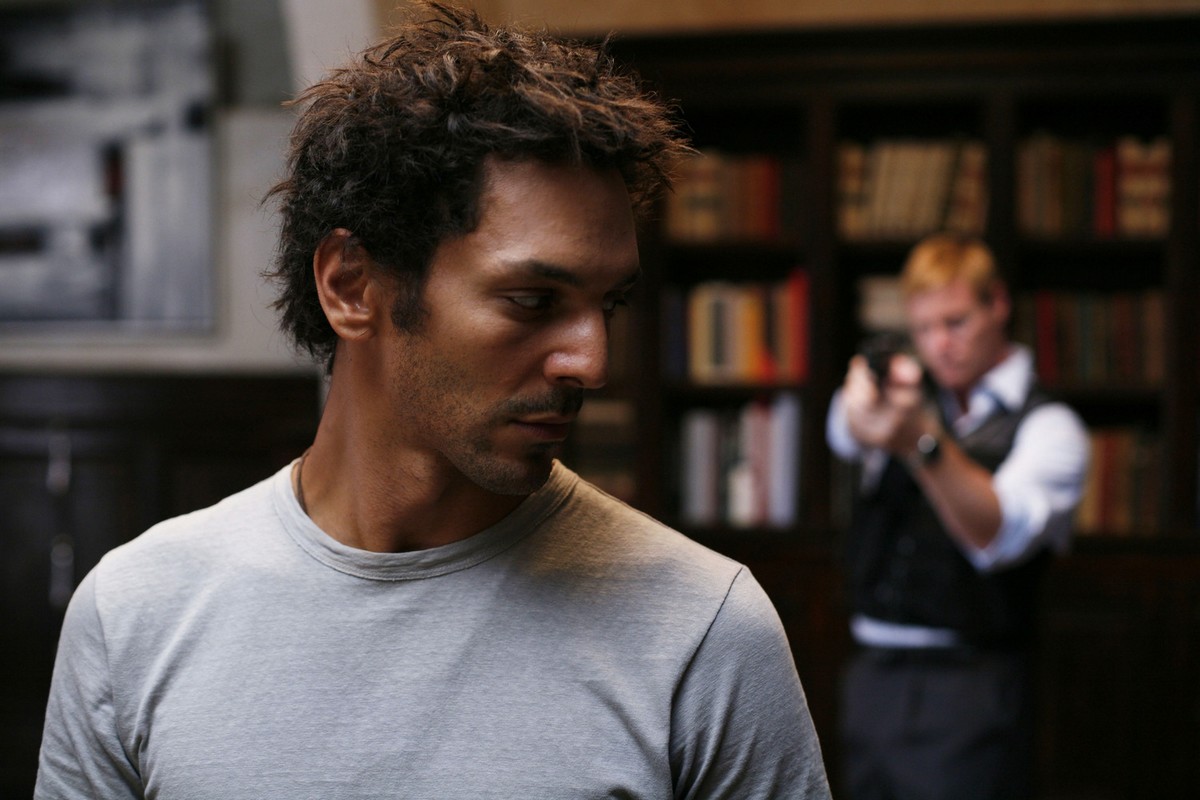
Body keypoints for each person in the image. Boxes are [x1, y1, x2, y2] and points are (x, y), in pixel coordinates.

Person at [36, 4, 831, 798]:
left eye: (610, 304)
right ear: (352, 285)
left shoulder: (703, 631)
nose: (592, 363)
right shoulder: (136, 613)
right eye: (532, 300)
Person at [826, 232, 1090, 800]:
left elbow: (998, 535)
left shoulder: (1050, 427)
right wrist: (862, 404)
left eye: (956, 322)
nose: (939, 345)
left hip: (970, 682)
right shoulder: (912, 392)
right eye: (924, 329)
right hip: (871, 674)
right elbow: (842, 432)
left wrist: (919, 441)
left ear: (998, 304)